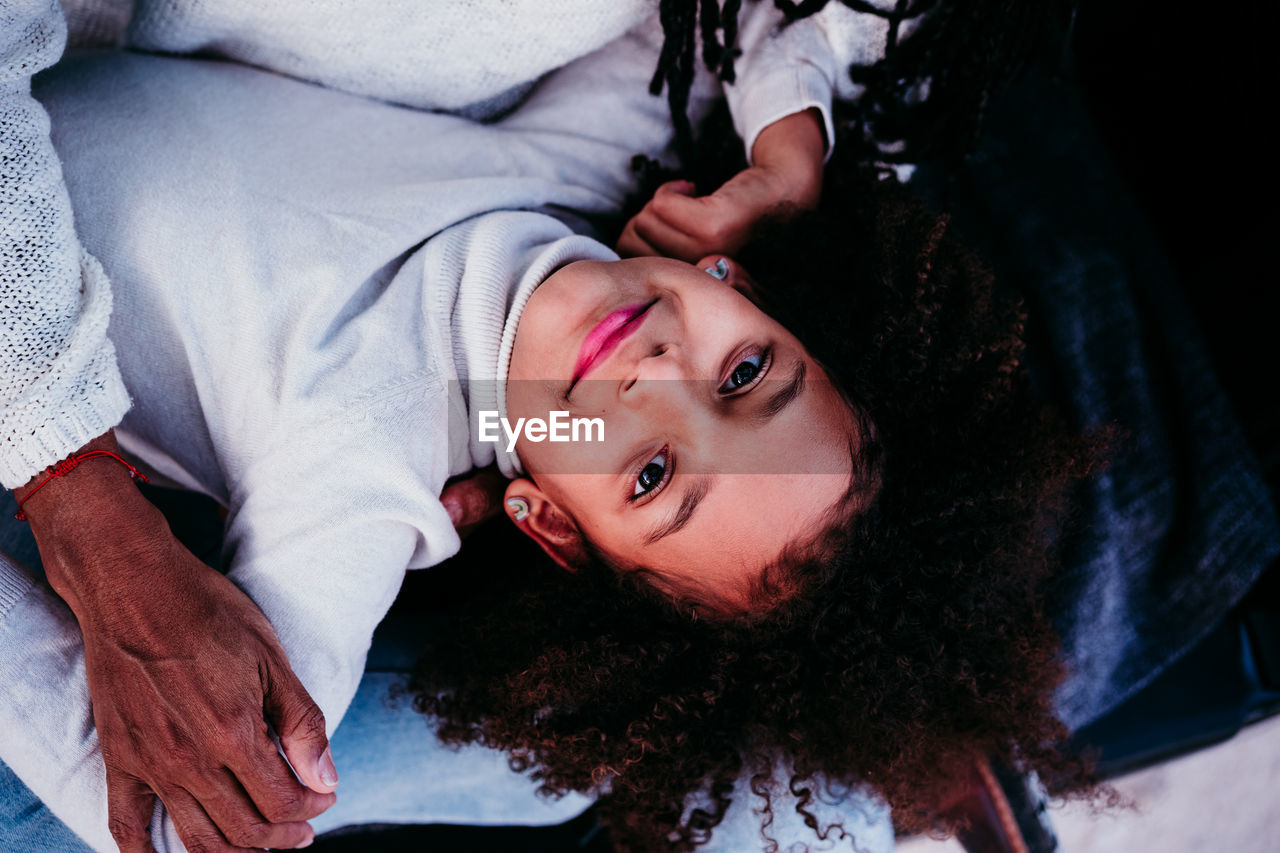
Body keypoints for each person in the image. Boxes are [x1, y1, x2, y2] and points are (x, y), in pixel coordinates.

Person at [1, 1, 916, 849]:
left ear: (551, 522)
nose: (658, 379)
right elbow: (703, 21)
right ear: (745, 284)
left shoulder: (369, 477)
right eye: (745, 372)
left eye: (652, 477)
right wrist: (787, 158)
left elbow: (171, 824)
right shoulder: (578, 182)